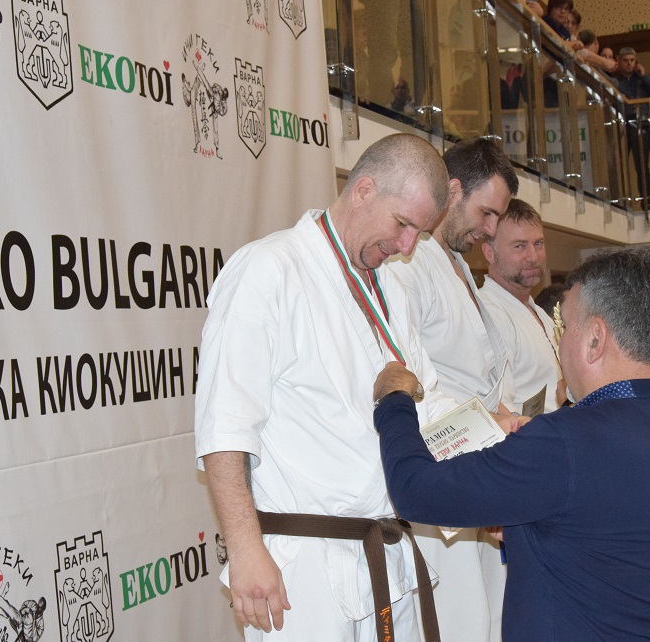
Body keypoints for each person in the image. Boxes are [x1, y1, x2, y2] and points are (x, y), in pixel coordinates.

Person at [372, 247, 650, 640]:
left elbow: (415, 490)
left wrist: (395, 401)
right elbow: (632, 551)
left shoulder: (563, 442)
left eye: (564, 328)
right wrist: (525, 532)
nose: (559, 346)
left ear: (595, 339)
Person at [194, 133, 457, 641]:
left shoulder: (392, 289)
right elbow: (225, 425)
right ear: (363, 190)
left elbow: (428, 404)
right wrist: (245, 549)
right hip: (305, 567)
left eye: (419, 234)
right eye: (403, 225)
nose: (407, 247)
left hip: (385, 551)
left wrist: (496, 442)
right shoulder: (269, 269)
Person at [383, 136, 517, 642]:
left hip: (480, 457)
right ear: (454, 190)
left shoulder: (458, 263)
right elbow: (404, 375)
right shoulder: (408, 264)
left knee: (488, 612)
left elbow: (483, 371)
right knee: (455, 618)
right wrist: (487, 422)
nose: (491, 229)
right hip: (441, 459)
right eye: (487, 213)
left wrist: (504, 421)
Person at [480, 200, 564, 413]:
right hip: (525, 431)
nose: (533, 257)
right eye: (520, 246)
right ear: (489, 253)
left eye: (539, 244)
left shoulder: (537, 312)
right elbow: (499, 409)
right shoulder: (489, 313)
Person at [614, 47, 650, 198]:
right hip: (621, 125)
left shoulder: (642, 79)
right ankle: (621, 199)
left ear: (636, 61)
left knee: (642, 165)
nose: (629, 64)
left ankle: (646, 199)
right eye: (625, 60)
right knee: (619, 164)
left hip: (642, 124)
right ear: (619, 61)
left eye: (632, 60)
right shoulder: (615, 79)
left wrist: (645, 76)